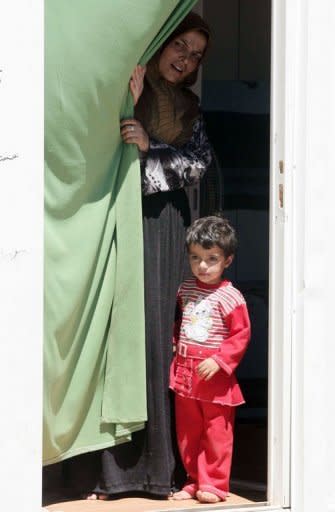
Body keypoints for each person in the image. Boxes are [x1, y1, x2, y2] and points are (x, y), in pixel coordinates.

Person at [71, 12, 213, 500]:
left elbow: (197, 164)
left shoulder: (189, 107)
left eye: (196, 54)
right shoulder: (126, 83)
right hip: (110, 216)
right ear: (160, 42)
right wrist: (123, 108)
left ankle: (151, 471)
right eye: (180, 45)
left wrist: (150, 148)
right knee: (111, 329)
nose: (186, 59)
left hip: (161, 225)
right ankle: (94, 469)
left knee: (155, 333)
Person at [169, 215, 251, 503]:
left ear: (227, 260)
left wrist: (219, 361)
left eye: (211, 258)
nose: (202, 266)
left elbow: (241, 334)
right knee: (188, 432)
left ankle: (214, 483)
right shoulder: (184, 289)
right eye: (195, 257)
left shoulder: (231, 297)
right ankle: (193, 480)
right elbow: (178, 325)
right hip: (185, 373)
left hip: (214, 377)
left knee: (216, 433)